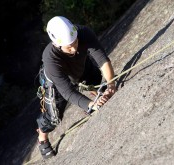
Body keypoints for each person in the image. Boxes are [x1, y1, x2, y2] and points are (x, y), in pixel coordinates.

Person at [36, 16, 116, 159]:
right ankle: (42, 138)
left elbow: (102, 59)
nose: (74, 48)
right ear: (57, 45)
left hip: (79, 68)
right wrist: (91, 106)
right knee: (53, 117)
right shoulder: (50, 58)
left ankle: (96, 94)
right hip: (56, 83)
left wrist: (111, 84)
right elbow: (67, 91)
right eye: (69, 46)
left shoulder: (83, 32)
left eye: (75, 42)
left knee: (96, 81)